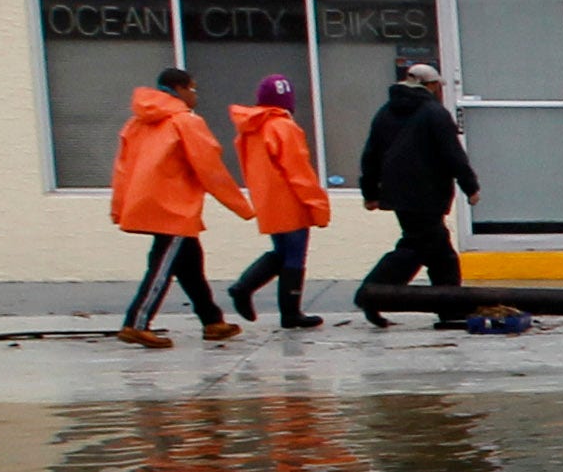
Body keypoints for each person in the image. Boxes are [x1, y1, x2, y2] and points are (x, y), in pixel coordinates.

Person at [109, 69, 244, 347]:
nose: (195, 96)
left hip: (149, 202)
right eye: (193, 89)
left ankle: (212, 320)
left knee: (189, 262)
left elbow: (122, 169)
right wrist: (241, 206)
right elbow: (210, 168)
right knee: (162, 264)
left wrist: (120, 206)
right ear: (179, 89)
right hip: (174, 207)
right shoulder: (185, 122)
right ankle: (137, 322)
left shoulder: (136, 123)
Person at [353, 61, 477, 327]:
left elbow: (371, 155)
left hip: (399, 195)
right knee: (414, 249)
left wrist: (370, 192)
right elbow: (452, 154)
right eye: (437, 86)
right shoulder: (434, 113)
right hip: (428, 194)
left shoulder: (385, 112)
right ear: (430, 86)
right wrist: (471, 186)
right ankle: (372, 294)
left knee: (440, 253)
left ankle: (450, 308)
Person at [223, 74, 332, 331]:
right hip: (290, 199)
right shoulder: (285, 127)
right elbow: (298, 171)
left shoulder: (249, 129)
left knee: (281, 252)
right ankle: (290, 312)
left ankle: (245, 287)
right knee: (294, 255)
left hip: (266, 199)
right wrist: (317, 205)